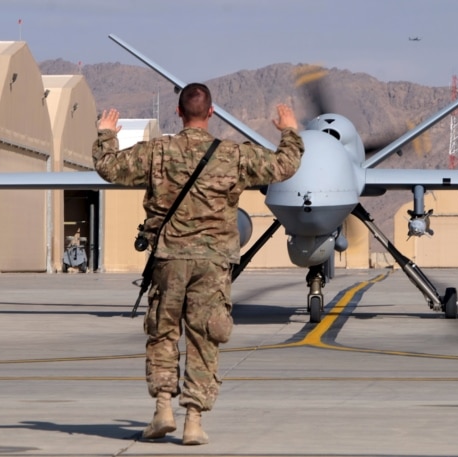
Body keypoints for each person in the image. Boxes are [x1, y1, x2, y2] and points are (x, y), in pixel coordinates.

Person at [92, 83, 304, 445]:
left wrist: (106, 135)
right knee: (205, 336)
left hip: (168, 259)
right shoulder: (234, 155)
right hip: (213, 262)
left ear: (178, 113)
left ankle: (162, 409)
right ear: (211, 113)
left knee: (163, 331)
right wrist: (290, 131)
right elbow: (285, 166)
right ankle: (193, 420)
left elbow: (108, 168)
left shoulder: (158, 151)